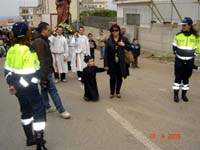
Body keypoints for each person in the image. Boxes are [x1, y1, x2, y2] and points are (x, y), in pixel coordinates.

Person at [4, 22, 48, 150]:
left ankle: (30, 138)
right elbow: (33, 74)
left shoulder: (11, 50)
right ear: (27, 34)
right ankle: (40, 143)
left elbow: (7, 72)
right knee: (39, 114)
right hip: (30, 89)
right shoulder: (29, 51)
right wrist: (38, 79)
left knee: (25, 111)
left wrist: (13, 85)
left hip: (18, 90)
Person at [32, 22, 71, 119]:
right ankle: (61, 110)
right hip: (44, 71)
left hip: (45, 70)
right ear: (44, 30)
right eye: (48, 30)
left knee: (44, 90)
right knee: (53, 90)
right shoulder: (39, 41)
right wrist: (44, 76)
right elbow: (41, 59)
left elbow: (46, 57)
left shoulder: (42, 39)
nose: (50, 32)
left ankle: (46, 107)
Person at [172, 17, 199, 103]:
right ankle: (176, 95)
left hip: (189, 61)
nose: (183, 26)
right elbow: (174, 46)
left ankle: (184, 95)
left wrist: (195, 54)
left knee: (186, 78)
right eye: (182, 25)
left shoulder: (195, 37)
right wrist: (176, 53)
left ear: (190, 26)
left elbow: (198, 47)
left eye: (185, 25)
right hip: (179, 60)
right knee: (178, 78)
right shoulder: (178, 35)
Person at [104, 24, 131, 98]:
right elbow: (106, 53)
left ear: (119, 31)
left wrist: (124, 44)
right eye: (113, 30)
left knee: (119, 78)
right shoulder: (109, 41)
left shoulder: (124, 39)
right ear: (111, 32)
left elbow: (130, 47)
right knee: (112, 78)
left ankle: (118, 92)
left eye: (116, 30)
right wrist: (106, 64)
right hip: (111, 63)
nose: (115, 32)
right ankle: (112, 92)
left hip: (121, 63)